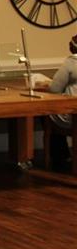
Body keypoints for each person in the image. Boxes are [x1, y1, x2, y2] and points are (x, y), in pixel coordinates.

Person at [42, 34, 77, 168]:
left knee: (46, 113)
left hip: (72, 116)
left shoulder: (70, 63)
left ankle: (60, 156)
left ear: (71, 47)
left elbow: (54, 89)